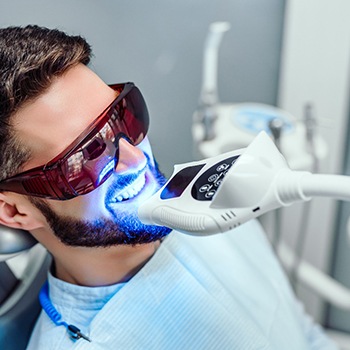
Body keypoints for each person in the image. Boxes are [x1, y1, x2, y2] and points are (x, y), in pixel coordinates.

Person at [0, 25, 338, 350]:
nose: (136, 159)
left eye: (124, 116)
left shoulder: (218, 199)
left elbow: (300, 332)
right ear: (14, 211)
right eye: (86, 155)